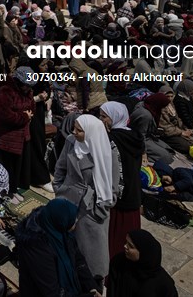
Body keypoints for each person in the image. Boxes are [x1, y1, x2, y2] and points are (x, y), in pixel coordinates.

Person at [53, 114, 121, 282]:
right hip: (67, 203)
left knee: (91, 264)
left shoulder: (107, 151)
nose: (74, 132)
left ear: (91, 132)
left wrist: (99, 210)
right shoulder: (71, 141)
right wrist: (59, 189)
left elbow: (113, 188)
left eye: (79, 130)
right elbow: (60, 168)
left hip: (90, 212)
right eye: (74, 128)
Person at [14, 197, 101, 297]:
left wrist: (91, 286)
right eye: (72, 219)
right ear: (61, 222)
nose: (76, 221)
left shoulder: (59, 230)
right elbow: (52, 292)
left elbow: (78, 260)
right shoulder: (37, 248)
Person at [100, 101, 145, 262]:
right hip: (133, 195)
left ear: (115, 117)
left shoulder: (111, 139)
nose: (101, 120)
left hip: (118, 199)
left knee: (115, 241)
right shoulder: (135, 137)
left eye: (104, 116)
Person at [107, 229, 178, 297]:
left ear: (143, 253)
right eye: (126, 242)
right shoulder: (118, 262)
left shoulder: (164, 284)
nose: (125, 246)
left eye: (131, 246)